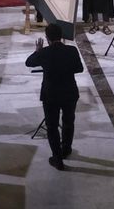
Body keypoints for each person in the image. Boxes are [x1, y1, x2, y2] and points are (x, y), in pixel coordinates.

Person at [26, 22, 85, 170]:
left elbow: (29, 63)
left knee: (52, 126)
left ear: (47, 39)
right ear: (61, 36)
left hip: (50, 94)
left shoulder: (44, 53)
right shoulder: (71, 50)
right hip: (69, 92)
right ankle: (66, 149)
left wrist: (37, 51)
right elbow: (79, 68)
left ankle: (57, 159)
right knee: (68, 122)